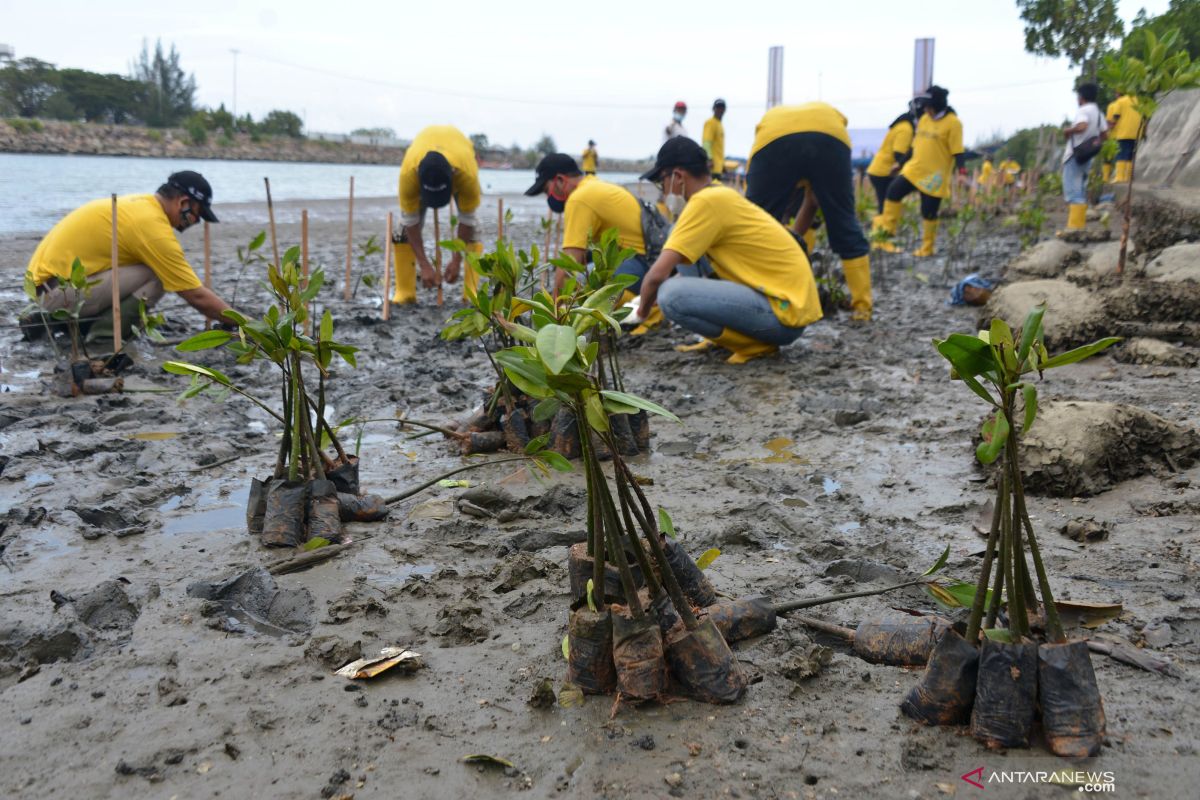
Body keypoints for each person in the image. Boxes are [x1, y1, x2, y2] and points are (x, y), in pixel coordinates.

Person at [637, 137, 823, 364]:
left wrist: (641, 313)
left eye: (661, 182)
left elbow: (656, 276)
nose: (663, 191)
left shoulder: (706, 202)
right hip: (780, 306)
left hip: (782, 315)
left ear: (677, 176)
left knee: (670, 295)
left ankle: (755, 346)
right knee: (676, 233)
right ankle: (722, 338)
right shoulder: (718, 194)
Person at [24, 171, 233, 336]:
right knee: (159, 274)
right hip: (56, 295)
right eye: (198, 214)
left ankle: (73, 324)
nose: (196, 222)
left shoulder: (141, 205)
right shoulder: (151, 227)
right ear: (183, 203)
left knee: (151, 269)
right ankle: (103, 339)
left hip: (48, 288)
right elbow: (194, 294)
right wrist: (246, 324)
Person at [745, 101, 874, 321]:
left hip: (774, 139)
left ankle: (754, 299)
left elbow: (762, 216)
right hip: (831, 133)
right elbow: (812, 204)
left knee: (755, 225)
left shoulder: (765, 140)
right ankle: (863, 307)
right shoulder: (827, 120)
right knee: (844, 221)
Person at [525, 153, 667, 334]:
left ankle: (647, 313)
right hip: (652, 262)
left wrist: (554, 313)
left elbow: (570, 263)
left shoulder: (579, 198)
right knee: (588, 262)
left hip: (642, 266)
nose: (548, 198)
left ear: (560, 180)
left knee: (580, 283)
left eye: (547, 190)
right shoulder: (595, 184)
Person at [871, 85, 964, 258]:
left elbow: (957, 151)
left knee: (928, 211)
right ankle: (885, 238)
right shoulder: (924, 120)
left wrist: (962, 173)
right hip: (914, 168)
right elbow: (914, 147)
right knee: (892, 192)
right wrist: (899, 164)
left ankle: (927, 248)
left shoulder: (953, 123)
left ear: (937, 105)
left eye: (929, 107)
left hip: (934, 175)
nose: (926, 110)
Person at [394, 125, 482, 303]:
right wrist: (425, 265)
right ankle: (405, 293)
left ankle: (471, 293)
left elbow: (467, 219)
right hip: (421, 156)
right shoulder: (408, 175)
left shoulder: (467, 175)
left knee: (475, 228)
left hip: (459, 154)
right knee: (401, 230)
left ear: (453, 176)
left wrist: (456, 260)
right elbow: (410, 222)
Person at [1059, 83, 1107, 235]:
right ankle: (1079, 226)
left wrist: (1068, 130)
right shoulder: (1099, 113)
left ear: (1081, 97)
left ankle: (1074, 228)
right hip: (1088, 156)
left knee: (1073, 193)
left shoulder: (1083, 110)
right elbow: (1105, 134)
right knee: (1080, 190)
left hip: (1074, 156)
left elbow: (1082, 126)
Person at [865, 100, 920, 213]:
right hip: (884, 172)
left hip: (880, 170)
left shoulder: (902, 124)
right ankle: (883, 228)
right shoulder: (905, 129)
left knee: (885, 204)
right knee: (886, 205)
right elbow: (898, 153)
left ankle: (883, 227)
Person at [1106, 93, 1142, 183]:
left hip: (1124, 132)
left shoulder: (1120, 101)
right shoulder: (1138, 101)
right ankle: (1128, 177)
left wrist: (1112, 124)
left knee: (1121, 154)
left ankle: (1119, 177)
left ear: (1118, 94)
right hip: (1136, 132)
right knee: (1130, 154)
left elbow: (1116, 115)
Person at [703, 99, 726, 181]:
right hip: (712, 167)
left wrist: (722, 164)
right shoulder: (710, 122)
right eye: (718, 107)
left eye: (722, 108)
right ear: (713, 109)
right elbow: (706, 143)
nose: (720, 110)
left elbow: (719, 148)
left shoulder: (719, 124)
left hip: (718, 168)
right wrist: (709, 159)